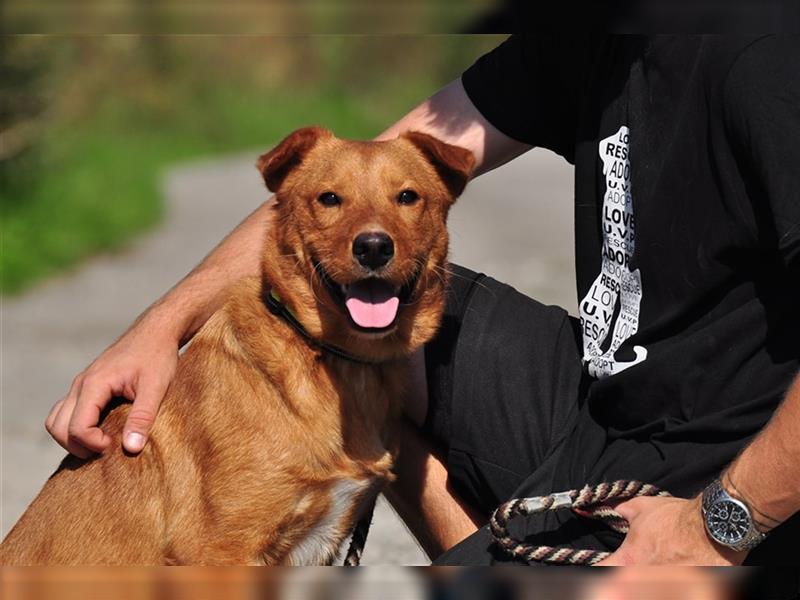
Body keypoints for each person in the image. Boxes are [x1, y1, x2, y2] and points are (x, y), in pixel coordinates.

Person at [46, 35, 800, 565]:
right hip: (611, 406)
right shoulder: (591, 31)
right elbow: (343, 182)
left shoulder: (762, 55)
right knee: (366, 328)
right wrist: (159, 328)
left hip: (732, 470)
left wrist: (717, 530)